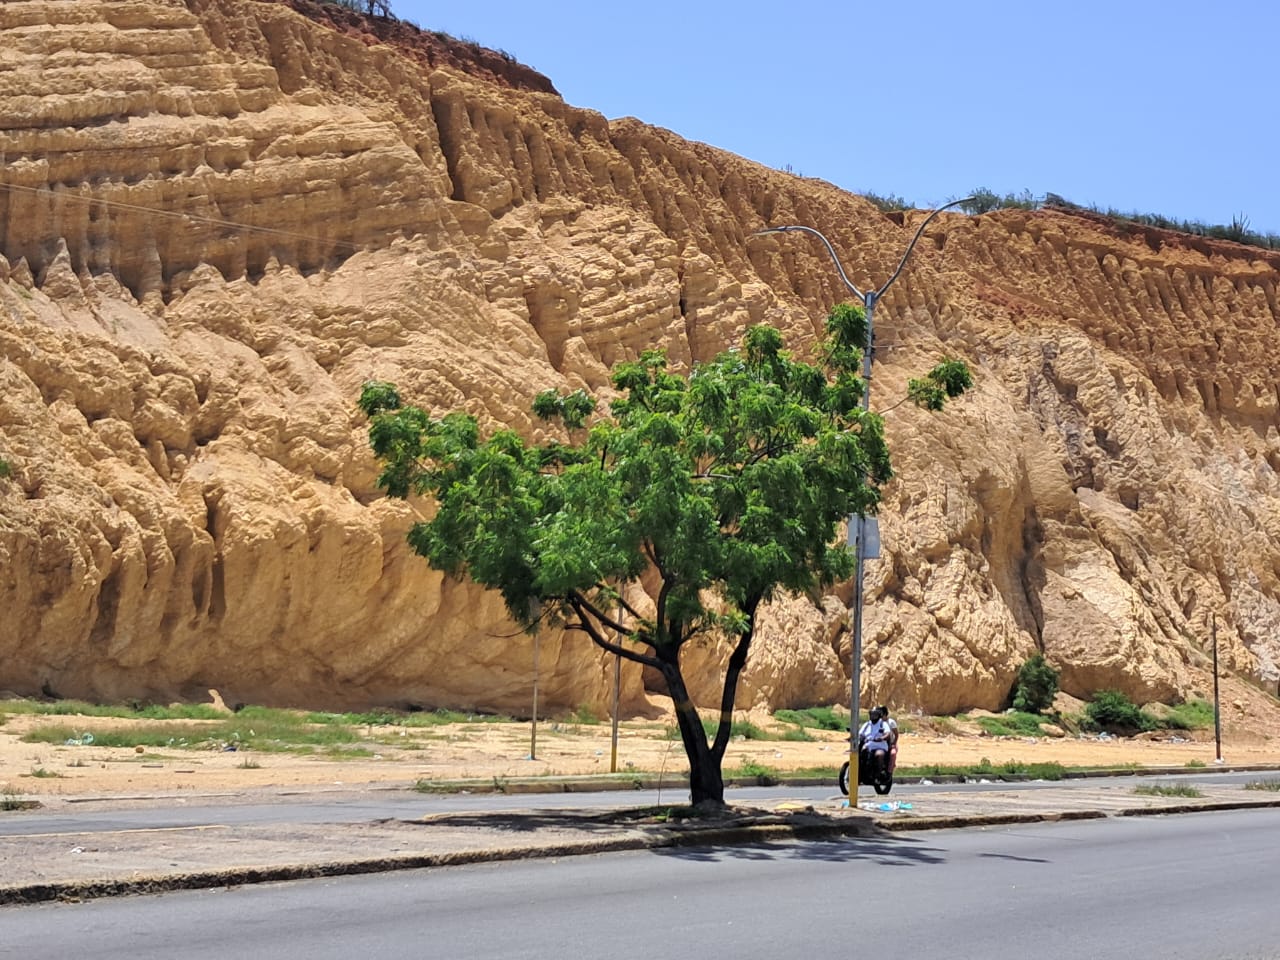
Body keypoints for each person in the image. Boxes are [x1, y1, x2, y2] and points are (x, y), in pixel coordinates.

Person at [857, 707, 892, 779]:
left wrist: (882, 738)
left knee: (879, 755)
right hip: (868, 745)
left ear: (879, 715)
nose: (873, 716)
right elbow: (860, 734)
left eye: (875, 714)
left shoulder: (883, 724)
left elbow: (887, 734)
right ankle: (862, 772)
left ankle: (877, 775)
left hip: (880, 746)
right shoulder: (867, 724)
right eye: (871, 714)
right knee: (861, 752)